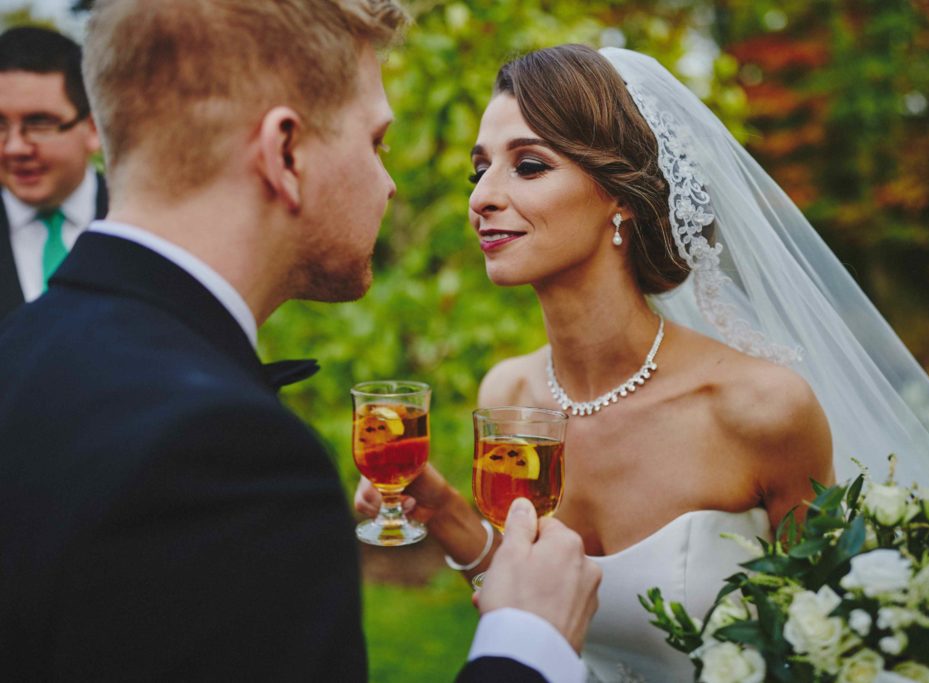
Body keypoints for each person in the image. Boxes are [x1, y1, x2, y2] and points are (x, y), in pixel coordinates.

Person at [357, 44, 929, 682]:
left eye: (528, 165)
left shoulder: (761, 409)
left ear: (619, 193)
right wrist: (443, 509)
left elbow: (820, 642)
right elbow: (522, 601)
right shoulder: (510, 395)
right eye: (481, 169)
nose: (482, 198)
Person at [0, 3, 600, 682]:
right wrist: (528, 641)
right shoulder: (228, 457)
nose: (389, 183)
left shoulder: (20, 348)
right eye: (375, 142)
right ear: (286, 152)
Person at [0, 26, 106, 321]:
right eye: (0, 125)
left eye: (39, 123)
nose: (15, 148)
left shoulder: (142, 226)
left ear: (93, 128)